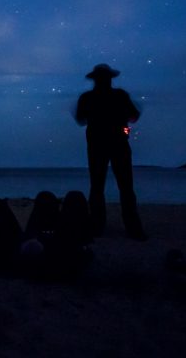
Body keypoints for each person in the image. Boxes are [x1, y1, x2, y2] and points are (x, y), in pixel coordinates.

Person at [76, 63, 146, 240]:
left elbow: (80, 119)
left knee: (98, 187)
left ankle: (97, 225)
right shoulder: (120, 95)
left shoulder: (87, 98)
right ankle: (132, 227)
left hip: (97, 146)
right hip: (118, 144)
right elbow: (134, 116)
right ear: (109, 78)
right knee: (125, 187)